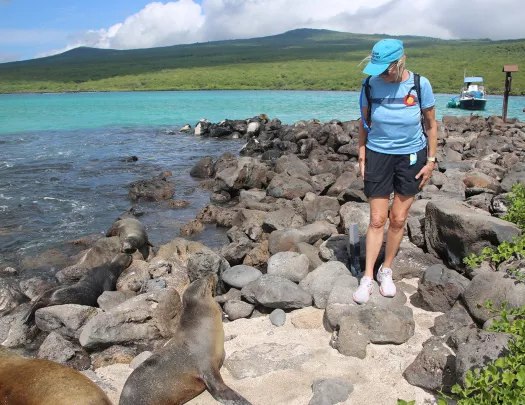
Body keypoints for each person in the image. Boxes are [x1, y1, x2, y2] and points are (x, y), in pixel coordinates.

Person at [353, 39, 437, 304]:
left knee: (399, 218)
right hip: (378, 155)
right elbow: (364, 122)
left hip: (411, 156)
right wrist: (362, 151)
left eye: (385, 69)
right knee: (378, 219)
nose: (381, 74)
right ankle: (367, 276)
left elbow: (431, 124)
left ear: (400, 62)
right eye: (376, 68)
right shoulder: (369, 85)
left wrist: (431, 160)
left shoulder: (420, 84)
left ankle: (385, 269)